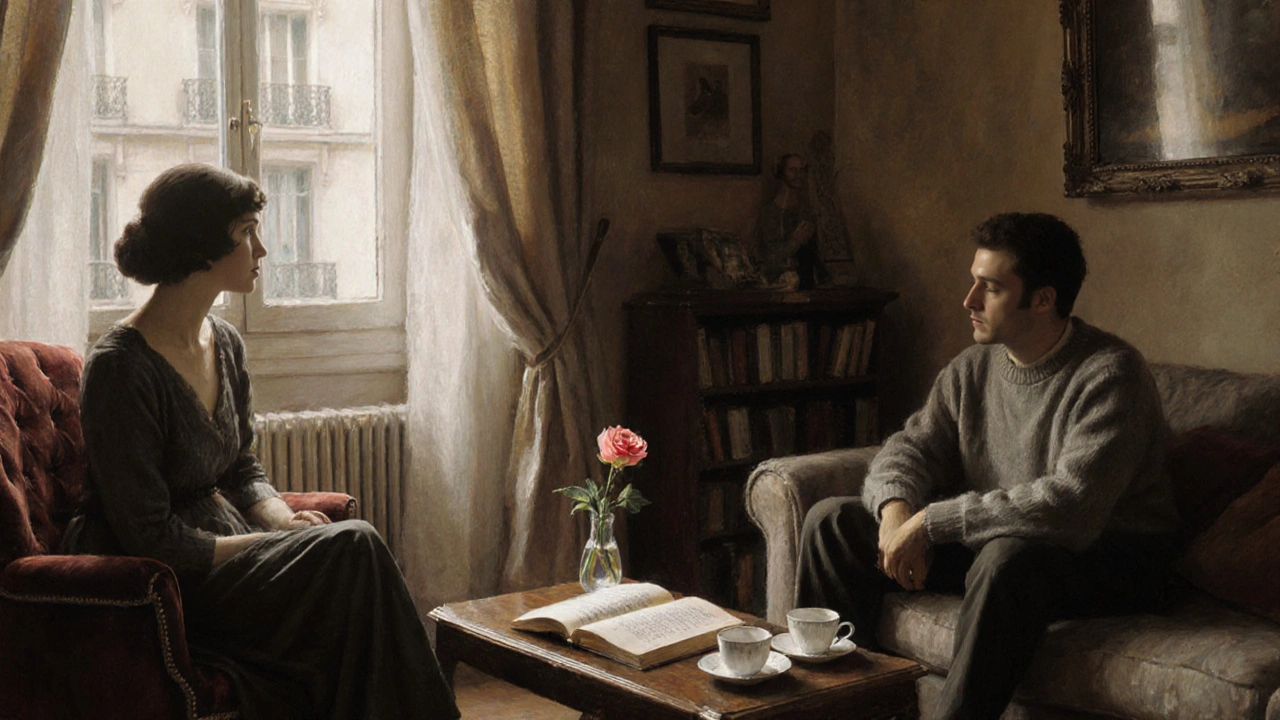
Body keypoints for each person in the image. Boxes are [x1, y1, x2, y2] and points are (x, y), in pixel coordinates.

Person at [61, 163, 460, 720]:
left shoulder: (223, 341)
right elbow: (153, 539)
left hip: (229, 553)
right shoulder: (120, 369)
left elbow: (242, 465)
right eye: (247, 231)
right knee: (357, 545)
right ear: (202, 244)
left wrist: (279, 521)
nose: (262, 248)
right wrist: (269, 546)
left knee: (352, 572)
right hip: (162, 586)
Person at [796, 212, 1180, 720]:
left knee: (1006, 558)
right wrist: (894, 513)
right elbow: (908, 449)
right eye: (973, 281)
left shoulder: (1111, 375)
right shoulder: (973, 368)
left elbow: (1068, 507)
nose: (969, 300)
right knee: (832, 525)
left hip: (1109, 559)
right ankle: (839, 710)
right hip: (1004, 543)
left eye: (990, 287)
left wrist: (930, 524)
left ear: (1043, 299)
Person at [751, 153, 827, 289]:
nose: (798, 175)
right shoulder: (769, 212)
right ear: (781, 172)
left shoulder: (806, 210)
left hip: (806, 281)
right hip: (779, 284)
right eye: (792, 170)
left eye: (801, 170)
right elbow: (767, 258)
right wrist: (795, 241)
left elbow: (815, 253)